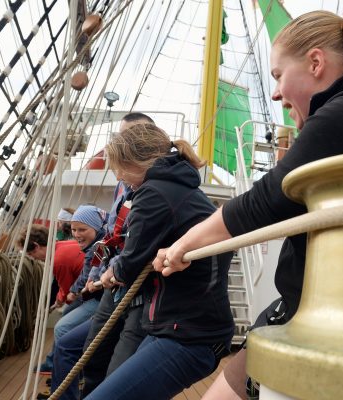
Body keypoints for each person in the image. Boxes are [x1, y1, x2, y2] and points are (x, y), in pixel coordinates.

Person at [152, 4, 343, 399]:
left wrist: (183, 245)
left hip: (332, 325)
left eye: (278, 75)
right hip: (308, 311)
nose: (275, 93)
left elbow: (269, 199)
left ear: (315, 63)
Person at [85, 123, 234, 400]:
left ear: (135, 161)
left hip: (190, 334)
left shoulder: (153, 193)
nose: (119, 176)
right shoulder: (179, 188)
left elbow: (129, 265)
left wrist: (111, 272)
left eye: (119, 168)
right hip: (183, 327)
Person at [48, 112, 155, 400]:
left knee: (102, 361)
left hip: (132, 291)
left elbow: (135, 243)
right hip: (112, 288)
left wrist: (108, 273)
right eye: (122, 137)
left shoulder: (151, 189)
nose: (125, 143)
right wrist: (98, 274)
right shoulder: (124, 185)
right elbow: (112, 237)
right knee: (88, 354)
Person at [17, 224, 85, 373]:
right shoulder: (62, 245)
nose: (33, 258)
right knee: (66, 316)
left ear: (36, 246)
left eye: (31, 254)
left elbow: (66, 289)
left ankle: (57, 366)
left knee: (63, 327)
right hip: (87, 291)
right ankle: (52, 362)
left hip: (95, 295)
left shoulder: (58, 259)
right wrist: (62, 298)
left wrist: (60, 300)